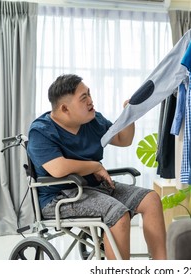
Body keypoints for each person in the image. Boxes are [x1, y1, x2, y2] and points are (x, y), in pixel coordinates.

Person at [27, 74, 166, 260]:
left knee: (151, 200)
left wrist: (130, 115)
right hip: (60, 197)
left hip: (95, 188)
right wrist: (94, 166)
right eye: (84, 98)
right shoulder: (41, 131)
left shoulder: (93, 121)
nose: (91, 101)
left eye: (89, 94)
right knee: (118, 215)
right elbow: (58, 169)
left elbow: (123, 139)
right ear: (64, 108)